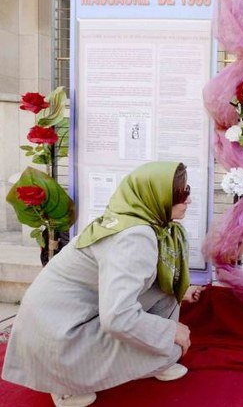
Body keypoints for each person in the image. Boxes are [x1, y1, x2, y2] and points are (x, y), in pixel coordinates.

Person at [2, 161, 204, 407]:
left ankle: (145, 360)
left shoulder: (125, 218)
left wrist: (180, 295)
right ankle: (65, 383)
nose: (189, 201)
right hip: (61, 341)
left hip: (53, 327)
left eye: (187, 191)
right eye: (181, 195)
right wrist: (171, 331)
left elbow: (141, 282)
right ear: (155, 196)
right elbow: (117, 317)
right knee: (172, 348)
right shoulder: (134, 237)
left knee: (167, 295)